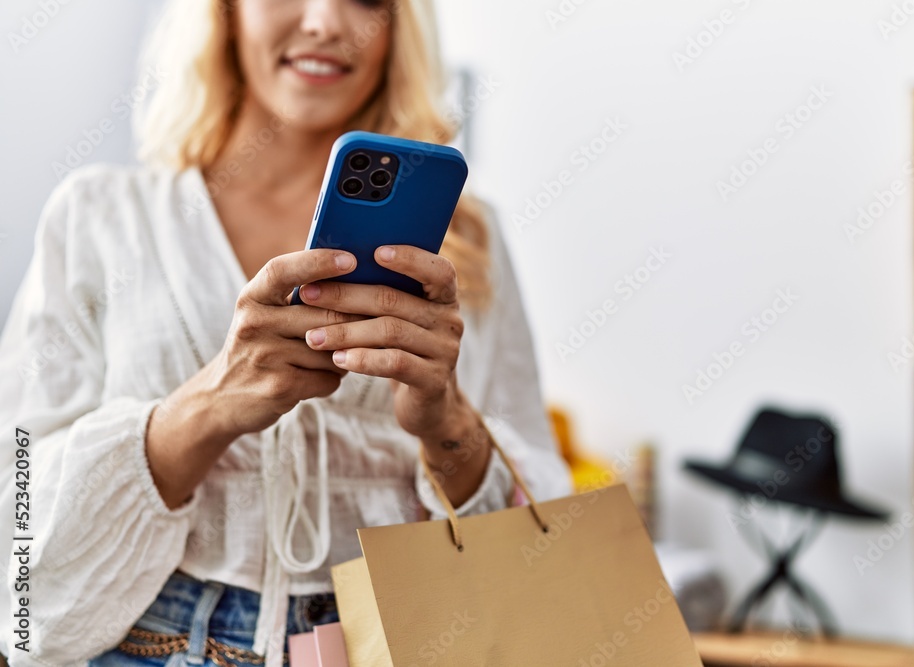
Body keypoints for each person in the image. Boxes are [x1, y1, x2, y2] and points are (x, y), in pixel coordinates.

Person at [0, 0, 572, 664]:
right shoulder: (101, 215)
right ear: (224, 14)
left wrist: (445, 421)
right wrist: (207, 405)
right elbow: (19, 514)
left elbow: (539, 531)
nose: (327, 21)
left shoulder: (467, 243)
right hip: (143, 637)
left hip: (388, 638)